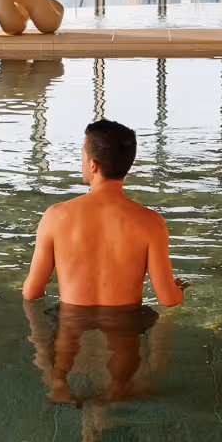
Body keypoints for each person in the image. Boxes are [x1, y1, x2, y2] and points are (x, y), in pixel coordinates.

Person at [21, 119, 187, 308]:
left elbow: (31, 292)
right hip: (124, 331)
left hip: (71, 331)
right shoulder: (151, 223)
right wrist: (178, 290)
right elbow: (169, 299)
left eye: (83, 153)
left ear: (93, 165)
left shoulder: (55, 217)